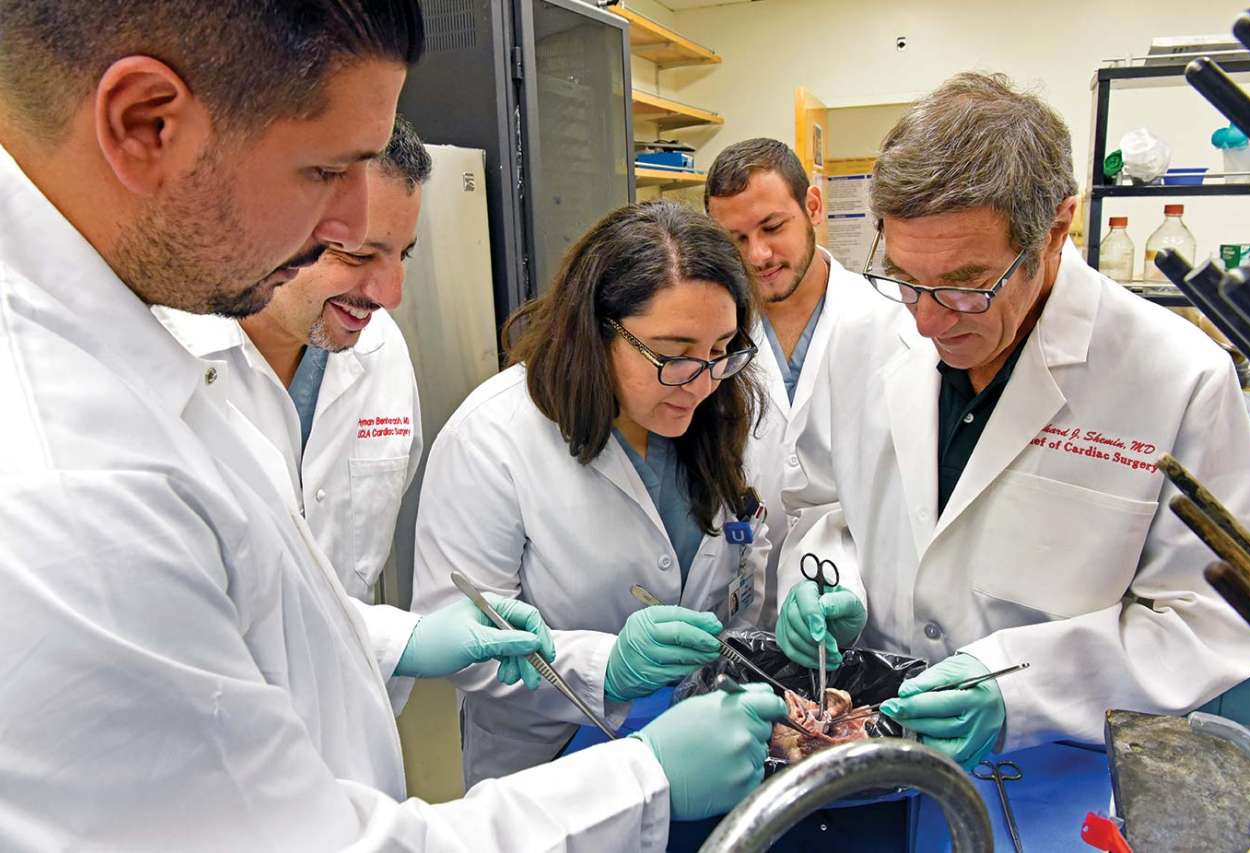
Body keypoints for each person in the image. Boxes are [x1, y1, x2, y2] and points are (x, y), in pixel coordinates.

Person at [0, 2, 783, 848]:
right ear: (146, 124)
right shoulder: (64, 482)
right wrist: (644, 777)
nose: (345, 233)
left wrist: (404, 636)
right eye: (325, 171)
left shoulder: (126, 354)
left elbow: (257, 600)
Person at [777, 72, 1250, 771]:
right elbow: (824, 503)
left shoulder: (1175, 376)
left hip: (1058, 762)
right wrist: (829, 584)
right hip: (873, 739)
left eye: (966, 284)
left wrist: (1026, 689)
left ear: (1056, 229)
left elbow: (1209, 620)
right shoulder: (866, 333)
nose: (924, 320)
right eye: (907, 277)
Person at [414, 200, 774, 787]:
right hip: (549, 766)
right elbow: (459, 638)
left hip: (705, 751)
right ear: (597, 330)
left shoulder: (723, 412)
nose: (702, 381)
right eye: (675, 353)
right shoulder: (495, 437)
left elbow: (752, 559)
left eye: (720, 350)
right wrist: (606, 666)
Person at [157, 114, 430, 606]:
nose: (391, 295)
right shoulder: (167, 359)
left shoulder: (381, 351)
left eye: (402, 256)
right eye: (356, 256)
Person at [704, 138, 879, 625]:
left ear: (814, 206)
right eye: (735, 239)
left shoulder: (889, 324)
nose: (758, 255)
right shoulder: (710, 336)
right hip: (740, 609)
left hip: (856, 603)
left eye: (772, 227)